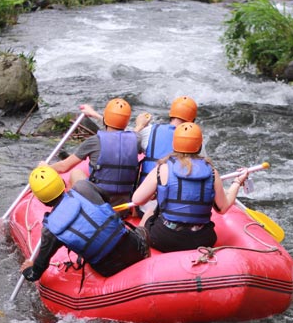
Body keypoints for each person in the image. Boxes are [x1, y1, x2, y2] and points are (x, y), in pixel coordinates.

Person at [131, 122, 249, 253]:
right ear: (199, 146)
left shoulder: (162, 169)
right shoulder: (211, 171)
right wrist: (237, 182)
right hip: (202, 239)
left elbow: (137, 200)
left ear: (174, 144)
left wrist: (156, 192)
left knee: (149, 213)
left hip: (165, 238)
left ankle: (139, 250)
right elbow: (222, 208)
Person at [20, 166, 150, 282]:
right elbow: (107, 199)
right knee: (145, 220)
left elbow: (36, 273)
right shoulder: (83, 187)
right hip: (137, 249)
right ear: (62, 182)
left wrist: (28, 270)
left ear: (42, 201)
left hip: (109, 269)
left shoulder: (49, 231)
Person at [41, 98, 142, 206]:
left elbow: (63, 166)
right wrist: (139, 126)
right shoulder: (136, 139)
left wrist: (45, 167)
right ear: (126, 122)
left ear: (105, 118)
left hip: (96, 205)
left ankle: (70, 208)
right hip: (122, 207)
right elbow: (123, 134)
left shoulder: (94, 141)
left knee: (76, 173)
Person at [133, 95, 198, 186]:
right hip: (174, 194)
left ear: (171, 114)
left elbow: (125, 146)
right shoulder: (195, 139)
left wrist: (139, 126)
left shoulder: (150, 131)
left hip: (146, 193)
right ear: (192, 121)